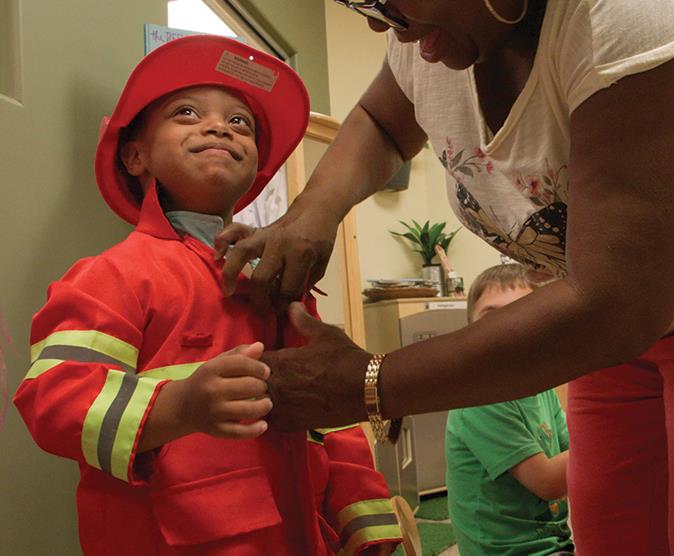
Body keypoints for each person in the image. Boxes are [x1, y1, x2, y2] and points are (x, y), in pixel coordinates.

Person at [213, 2, 674, 554]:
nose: (375, 21)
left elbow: (612, 305)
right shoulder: (424, 29)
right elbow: (383, 121)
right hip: (614, 341)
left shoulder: (638, 15)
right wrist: (311, 214)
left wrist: (367, 383)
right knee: (612, 535)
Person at [13, 35, 401, 556]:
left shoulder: (278, 285)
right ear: (135, 155)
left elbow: (333, 408)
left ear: (257, 167)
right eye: (187, 113)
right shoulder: (112, 276)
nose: (218, 126)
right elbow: (52, 397)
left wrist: (367, 525)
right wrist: (179, 406)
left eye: (240, 122)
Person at [445, 264, 571, 555]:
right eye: (493, 316)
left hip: (552, 543)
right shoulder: (480, 397)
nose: (508, 327)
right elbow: (549, 482)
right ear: (469, 331)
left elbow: (574, 453)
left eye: (524, 314)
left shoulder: (541, 389)